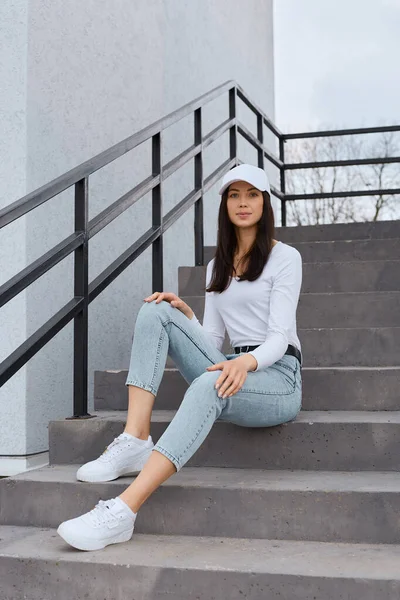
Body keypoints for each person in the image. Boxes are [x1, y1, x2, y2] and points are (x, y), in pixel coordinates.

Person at [57, 163, 303, 551]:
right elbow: (212, 338)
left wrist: (244, 362)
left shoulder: (285, 257)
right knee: (157, 310)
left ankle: (122, 511)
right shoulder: (216, 266)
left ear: (265, 202)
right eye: (234, 196)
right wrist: (185, 316)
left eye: (252, 195)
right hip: (230, 363)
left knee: (211, 384)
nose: (243, 203)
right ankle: (136, 438)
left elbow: (278, 337)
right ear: (224, 205)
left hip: (276, 375)